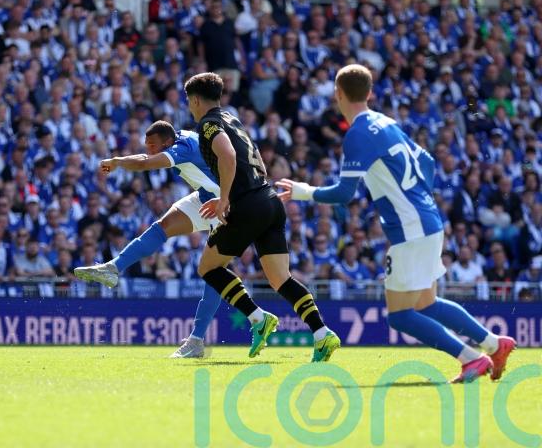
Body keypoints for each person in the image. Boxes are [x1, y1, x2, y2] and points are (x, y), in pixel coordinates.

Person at [277, 64, 516, 383]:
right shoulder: (386, 122)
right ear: (370, 92)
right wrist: (416, 197)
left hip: (410, 229)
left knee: (401, 315)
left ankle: (471, 359)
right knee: (426, 304)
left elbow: (344, 193)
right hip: (428, 220)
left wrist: (303, 192)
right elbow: (428, 162)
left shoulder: (358, 134)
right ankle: (494, 343)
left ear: (338, 94)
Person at [185, 72, 339, 360]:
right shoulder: (232, 119)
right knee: (281, 278)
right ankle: (321, 333)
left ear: (195, 100)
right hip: (267, 199)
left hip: (246, 205)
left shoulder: (208, 125)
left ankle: (257, 318)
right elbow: (251, 160)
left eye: (188, 102)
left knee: (208, 267)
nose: (189, 107)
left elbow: (228, 157)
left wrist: (226, 198)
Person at [74, 120, 224, 358]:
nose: (150, 149)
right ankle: (113, 268)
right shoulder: (182, 136)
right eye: (148, 145)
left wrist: (118, 162)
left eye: (153, 145)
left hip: (226, 208)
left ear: (167, 142)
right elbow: (148, 156)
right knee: (162, 226)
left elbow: (145, 163)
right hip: (206, 198)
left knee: (214, 273)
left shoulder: (180, 148)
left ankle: (200, 338)